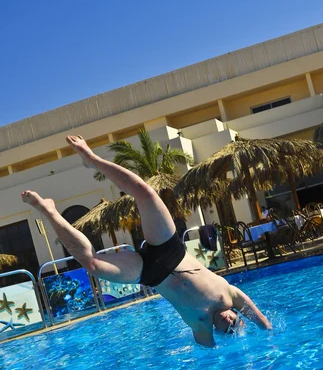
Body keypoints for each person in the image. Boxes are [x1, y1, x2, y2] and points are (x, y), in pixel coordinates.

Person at [21, 135, 271, 347]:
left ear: (219, 335)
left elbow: (211, 365)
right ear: (238, 315)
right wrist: (269, 338)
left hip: (150, 274)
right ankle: (92, 160)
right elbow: (262, 322)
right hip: (171, 250)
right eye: (234, 321)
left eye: (227, 329)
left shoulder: (203, 331)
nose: (228, 322)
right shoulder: (231, 295)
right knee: (146, 193)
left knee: (92, 265)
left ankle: (48, 211)